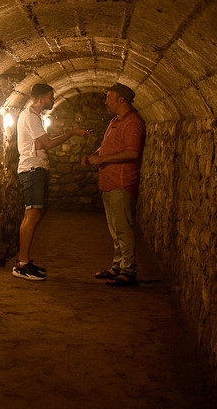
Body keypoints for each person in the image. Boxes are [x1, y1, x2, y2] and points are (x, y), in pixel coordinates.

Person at [12, 83, 89, 281]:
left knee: (33, 213)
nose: (53, 100)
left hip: (36, 168)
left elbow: (40, 143)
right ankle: (21, 264)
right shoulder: (30, 116)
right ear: (41, 98)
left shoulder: (33, 117)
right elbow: (48, 144)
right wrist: (72, 132)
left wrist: (41, 145)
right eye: (51, 96)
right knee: (32, 214)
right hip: (32, 169)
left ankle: (25, 261)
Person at [82, 83, 146, 287]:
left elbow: (132, 152)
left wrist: (102, 159)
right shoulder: (115, 121)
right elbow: (109, 145)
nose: (106, 101)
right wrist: (96, 155)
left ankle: (128, 270)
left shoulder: (133, 122)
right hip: (109, 182)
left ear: (122, 100)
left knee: (123, 228)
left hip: (122, 182)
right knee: (115, 228)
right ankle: (118, 265)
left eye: (109, 97)